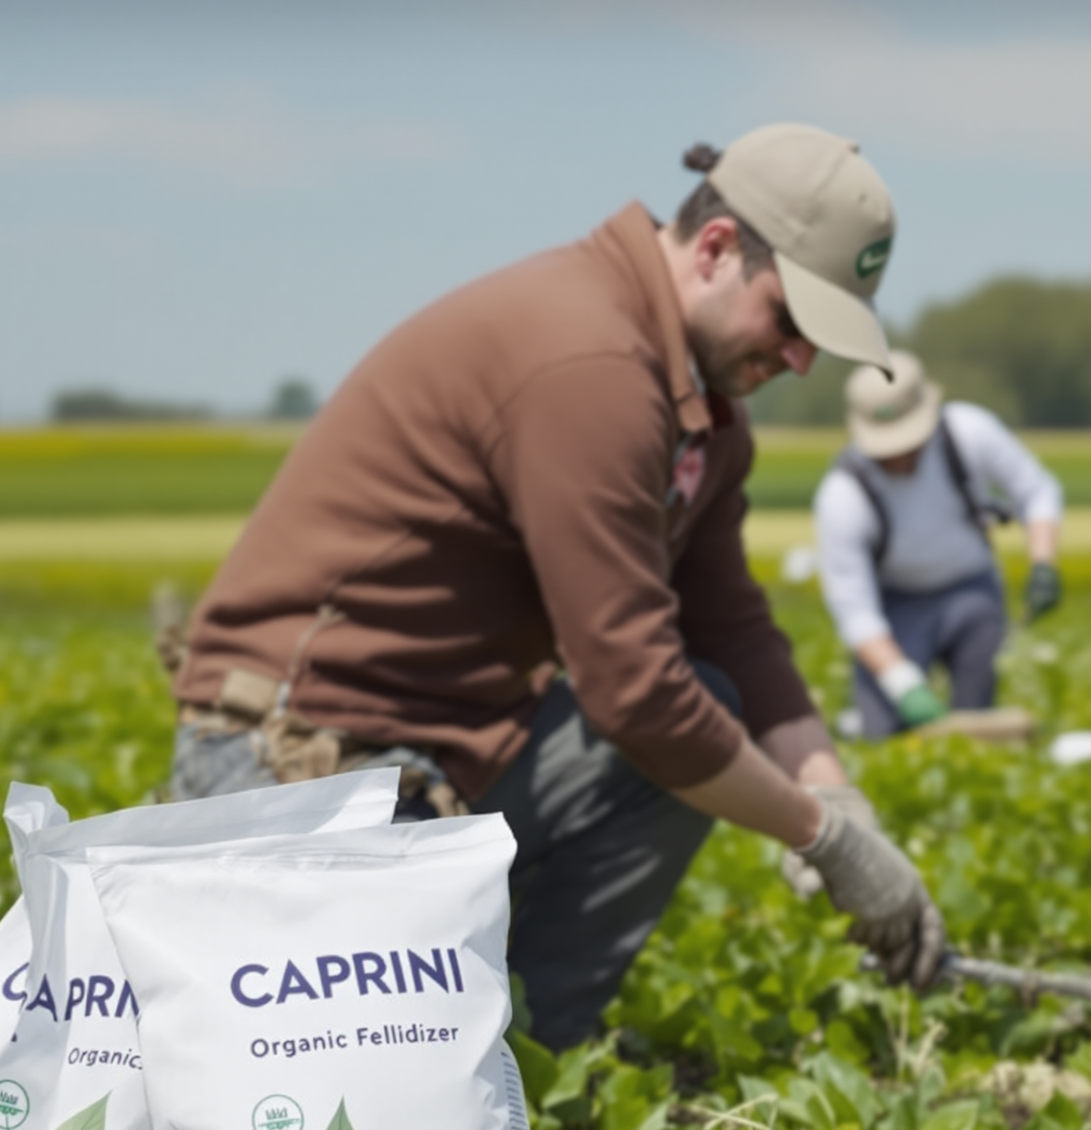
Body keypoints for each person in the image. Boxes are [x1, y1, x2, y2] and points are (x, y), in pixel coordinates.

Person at [165, 124, 947, 1049]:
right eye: (791, 320)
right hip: (291, 763)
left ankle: (524, 1054)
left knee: (715, 706)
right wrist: (824, 837)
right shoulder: (592, 365)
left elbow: (731, 628)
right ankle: (459, 1060)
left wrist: (835, 791)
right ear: (717, 248)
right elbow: (636, 691)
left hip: (437, 764)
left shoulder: (703, 417)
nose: (803, 360)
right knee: (314, 1070)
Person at [810, 352, 1065, 738]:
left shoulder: (969, 432)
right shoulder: (843, 496)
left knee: (977, 727)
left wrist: (1043, 563)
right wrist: (904, 684)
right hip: (893, 607)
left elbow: (1037, 490)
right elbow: (855, 610)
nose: (900, 455)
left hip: (970, 592)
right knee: (884, 735)